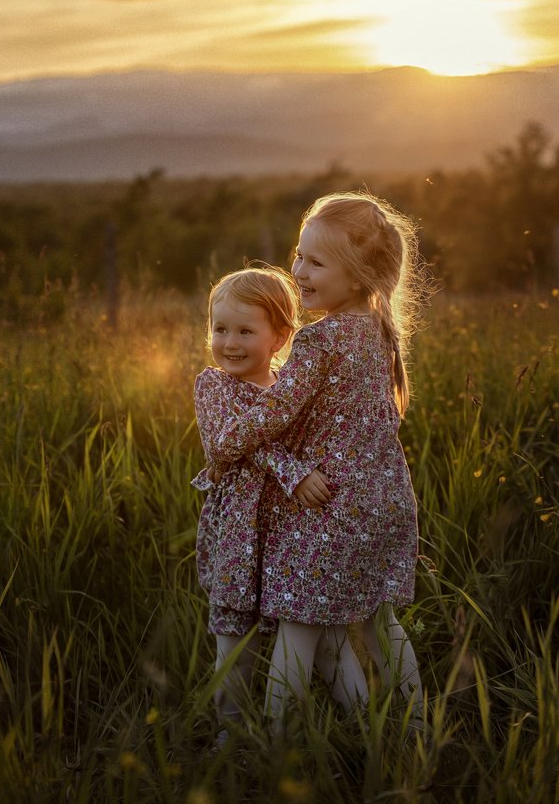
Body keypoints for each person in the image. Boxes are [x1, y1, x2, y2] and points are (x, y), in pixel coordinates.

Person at [206, 192, 427, 726]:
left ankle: (276, 744)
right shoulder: (378, 332)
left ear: (357, 277)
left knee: (296, 626)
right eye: (298, 254)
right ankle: (416, 725)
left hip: (329, 507)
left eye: (316, 262)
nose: (299, 270)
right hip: (384, 502)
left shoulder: (319, 341)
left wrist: (227, 439)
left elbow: (275, 412)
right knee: (379, 623)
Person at [191, 266, 367, 742]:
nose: (229, 341)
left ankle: (365, 731)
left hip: (291, 535)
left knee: (318, 631)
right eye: (219, 328)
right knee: (235, 646)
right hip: (238, 536)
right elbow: (230, 442)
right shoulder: (214, 387)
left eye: (245, 330)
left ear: (280, 337)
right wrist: (293, 472)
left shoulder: (292, 385)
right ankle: (231, 743)